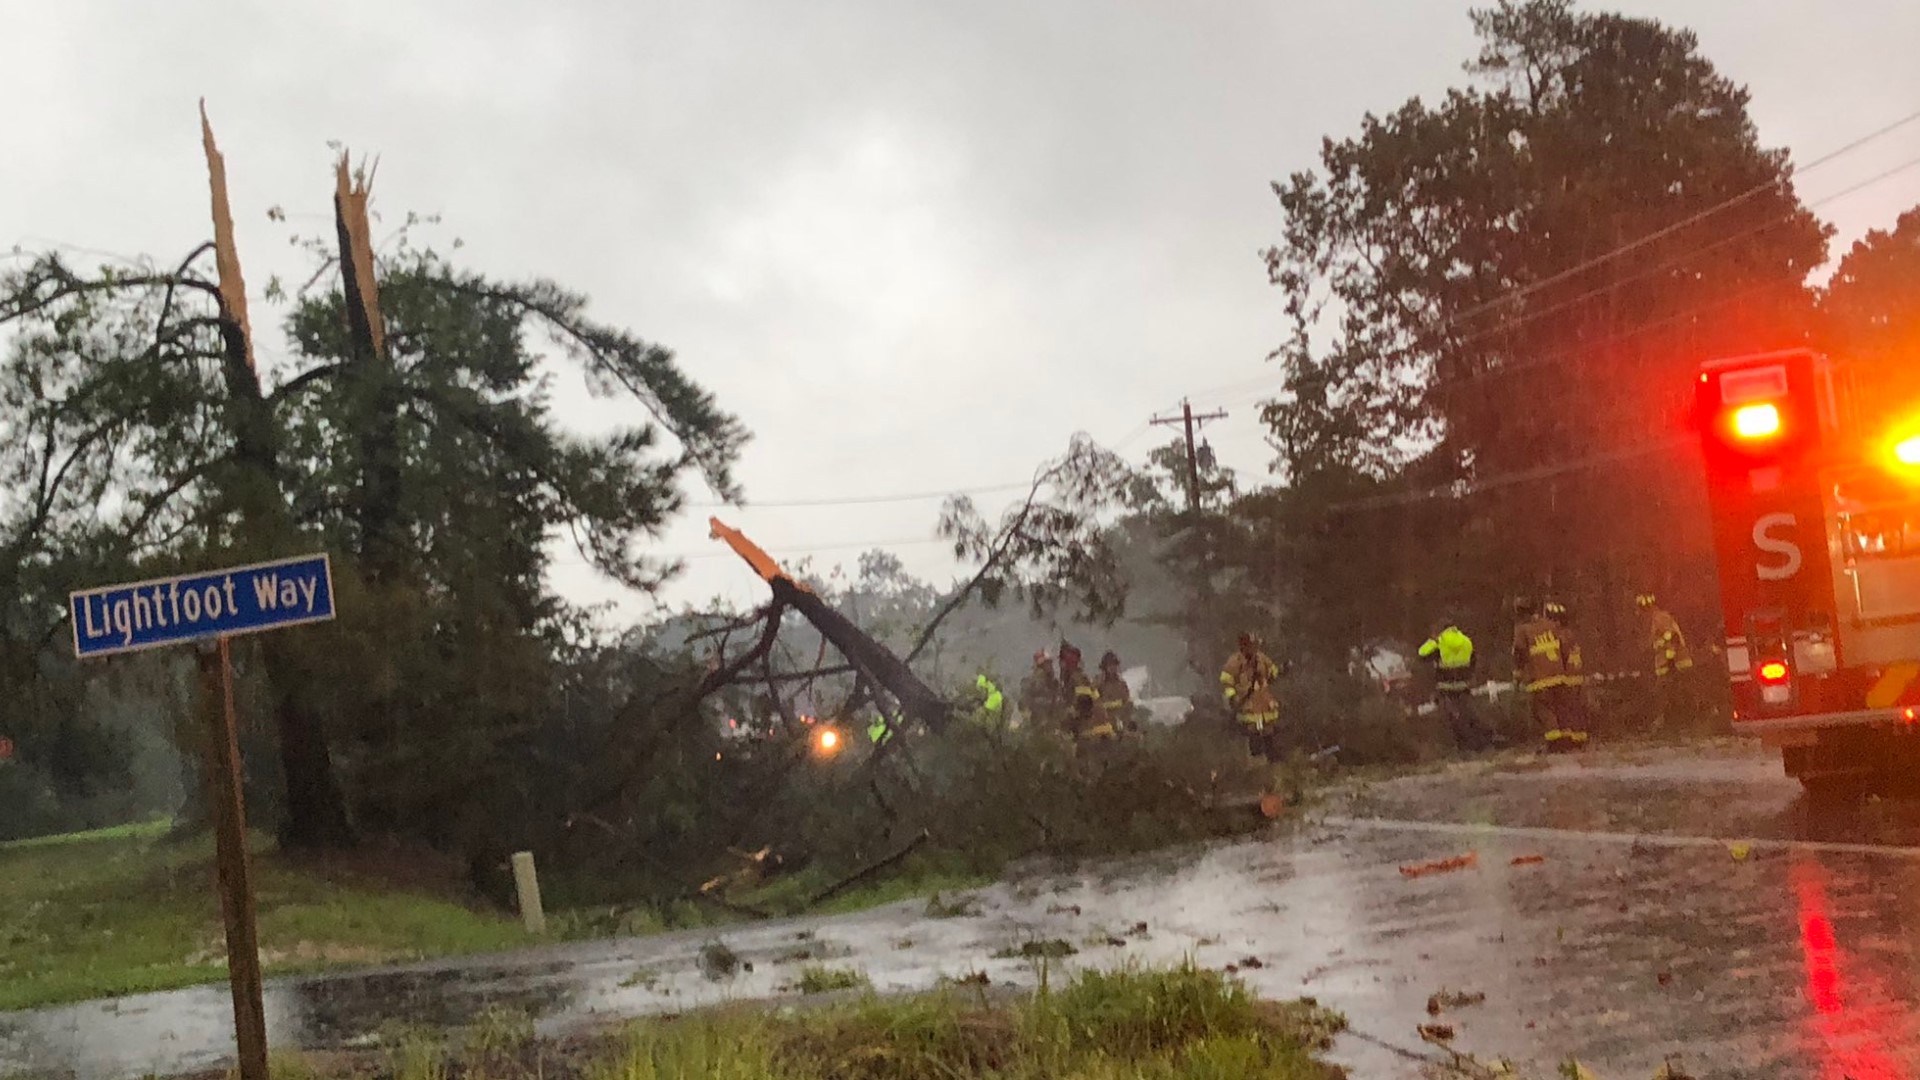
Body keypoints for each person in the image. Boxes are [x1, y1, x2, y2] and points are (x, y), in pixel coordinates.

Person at [1418, 615, 1489, 751]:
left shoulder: (1439, 642)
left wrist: (1432, 640)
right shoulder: (1466, 641)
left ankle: (1462, 747)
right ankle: (1479, 745)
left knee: (1453, 719)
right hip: (1464, 685)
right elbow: (1473, 661)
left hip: (1446, 687)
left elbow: (1422, 654)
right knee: (1469, 715)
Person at [1221, 633, 1283, 762]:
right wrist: (1232, 698)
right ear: (1243, 647)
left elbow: (1273, 672)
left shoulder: (1262, 659)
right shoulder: (1234, 662)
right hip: (1248, 708)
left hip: (1265, 707)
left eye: (1255, 646)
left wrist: (1283, 669)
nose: (1254, 649)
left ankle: (1274, 764)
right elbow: (1227, 682)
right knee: (1253, 741)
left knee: (1270, 738)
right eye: (1251, 646)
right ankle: (1256, 767)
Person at [1638, 593, 1694, 730]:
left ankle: (1665, 723)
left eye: (1641, 610)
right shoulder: (1656, 619)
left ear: (1646, 608)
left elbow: (1672, 637)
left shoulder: (1660, 618)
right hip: (1668, 663)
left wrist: (1670, 660)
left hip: (1674, 663)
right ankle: (1674, 723)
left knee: (1664, 694)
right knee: (1672, 694)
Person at [1542, 600, 1591, 751]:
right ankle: (1579, 738)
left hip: (1567, 677)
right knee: (1576, 709)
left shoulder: (1559, 636)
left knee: (1565, 710)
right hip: (1577, 674)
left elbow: (1559, 656)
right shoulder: (1571, 634)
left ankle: (1569, 740)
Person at [1058, 643, 1115, 747]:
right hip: (1092, 731)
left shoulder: (1077, 679)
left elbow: (1084, 703)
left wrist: (1066, 720)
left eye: (1061, 662)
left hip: (1092, 733)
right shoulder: (1073, 679)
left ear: (1066, 663)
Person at [1018, 650, 1062, 732]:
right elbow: (1023, 704)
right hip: (1035, 726)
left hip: (1051, 727)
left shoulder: (1054, 684)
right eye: (1047, 664)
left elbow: (1059, 703)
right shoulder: (1030, 682)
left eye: (1050, 664)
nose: (1050, 667)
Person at [1095, 651, 1138, 736]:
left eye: (1114, 665)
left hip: (1120, 722)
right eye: (1110, 665)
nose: (1112, 668)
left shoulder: (1121, 684)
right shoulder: (1098, 683)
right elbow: (1094, 704)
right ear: (1105, 667)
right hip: (1103, 724)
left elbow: (1127, 704)